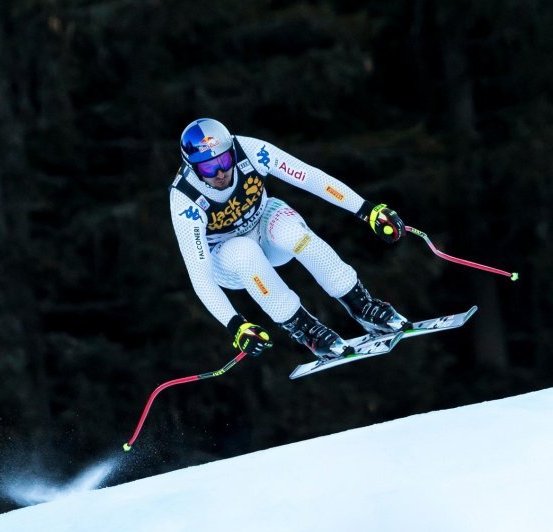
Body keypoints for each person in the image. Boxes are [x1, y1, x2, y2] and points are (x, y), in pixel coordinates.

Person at [169, 118, 410, 359]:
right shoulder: (185, 199)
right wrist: (236, 325)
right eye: (208, 168)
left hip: (264, 225)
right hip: (227, 258)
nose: (220, 173)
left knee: (294, 233)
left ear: (232, 151)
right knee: (243, 250)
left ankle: (362, 305)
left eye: (223, 161)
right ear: (192, 167)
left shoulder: (250, 151)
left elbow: (309, 177)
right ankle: (306, 330)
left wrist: (367, 210)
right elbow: (200, 274)